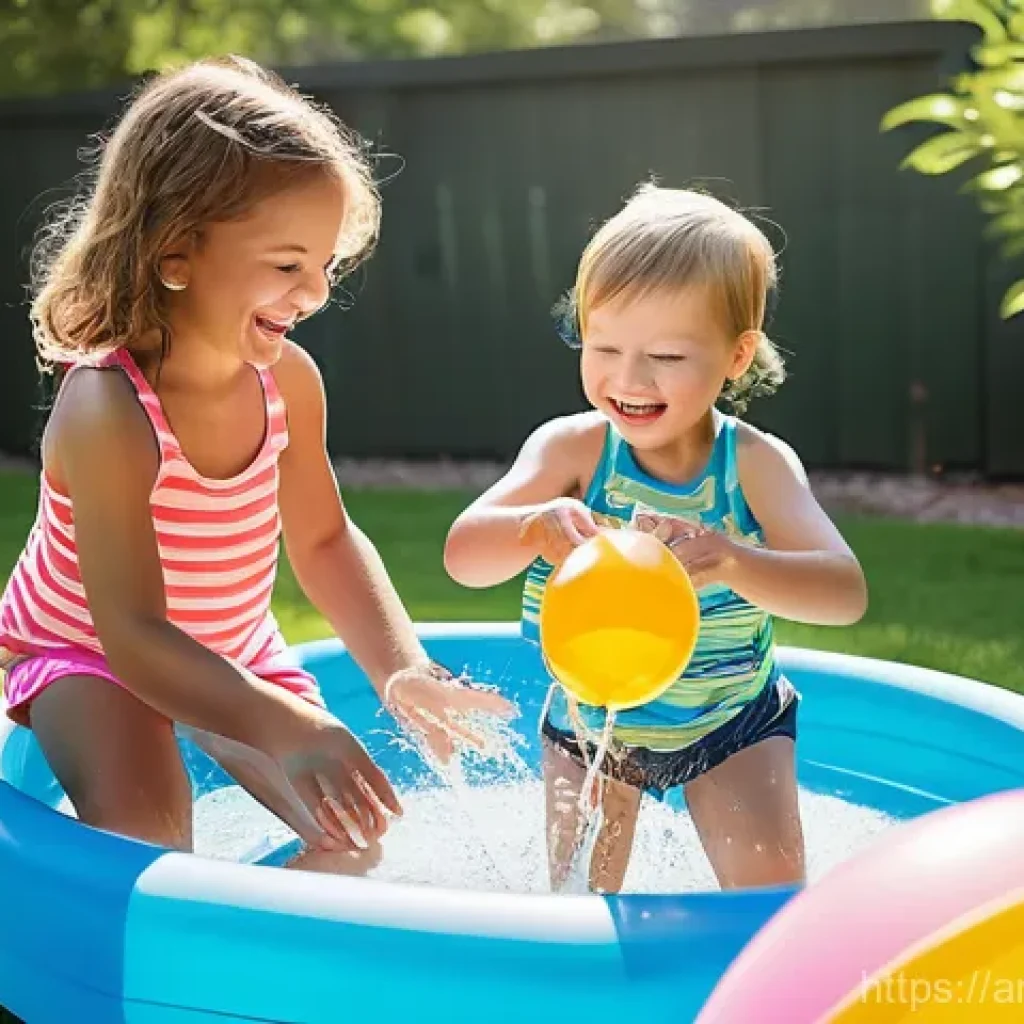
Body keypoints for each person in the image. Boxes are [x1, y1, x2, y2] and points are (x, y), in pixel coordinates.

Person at [0, 56, 512, 874]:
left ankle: (264, 973)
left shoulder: (288, 382)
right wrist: (285, 724)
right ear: (177, 253)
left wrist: (404, 673)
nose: (313, 293)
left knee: (358, 844)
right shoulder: (108, 410)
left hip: (231, 644)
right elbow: (132, 635)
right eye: (287, 265)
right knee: (150, 849)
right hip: (94, 651)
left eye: (325, 266)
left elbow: (325, 542)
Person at [444, 184, 868, 894]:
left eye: (667, 356)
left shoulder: (754, 467)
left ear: (737, 356)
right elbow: (463, 557)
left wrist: (736, 559)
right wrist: (532, 525)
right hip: (592, 724)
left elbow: (843, 592)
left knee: (768, 905)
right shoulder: (573, 453)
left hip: (733, 720)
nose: (628, 378)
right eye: (604, 345)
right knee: (580, 902)